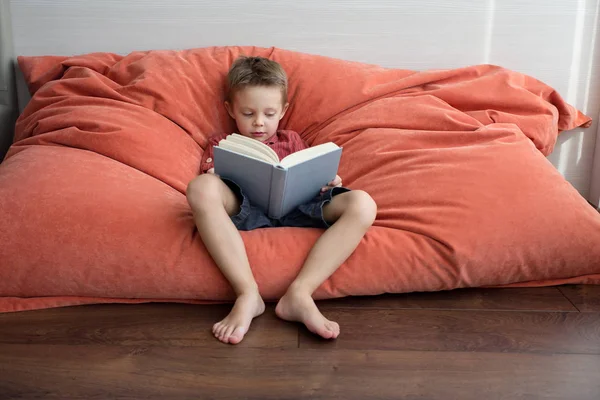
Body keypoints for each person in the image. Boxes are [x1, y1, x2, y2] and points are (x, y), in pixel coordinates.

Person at [186, 56, 377, 344]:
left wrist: (329, 181)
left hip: (300, 207)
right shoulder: (222, 143)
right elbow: (211, 186)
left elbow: (311, 174)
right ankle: (248, 294)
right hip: (246, 209)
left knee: (363, 204)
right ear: (231, 109)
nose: (259, 123)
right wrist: (216, 173)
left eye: (269, 113)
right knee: (201, 188)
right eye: (248, 113)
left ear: (284, 111)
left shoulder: (294, 140)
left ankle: (299, 294)